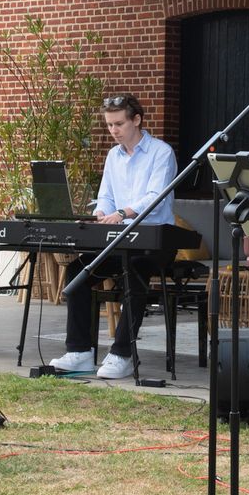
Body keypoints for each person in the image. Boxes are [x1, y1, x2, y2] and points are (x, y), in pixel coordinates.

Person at [49, 93, 177, 380]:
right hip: (118, 239)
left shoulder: (161, 152)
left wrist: (122, 212)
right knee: (78, 271)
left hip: (155, 240)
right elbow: (105, 196)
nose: (114, 130)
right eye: (109, 125)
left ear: (137, 120)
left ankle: (123, 354)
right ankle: (80, 352)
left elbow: (155, 197)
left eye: (119, 124)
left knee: (135, 271)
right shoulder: (112, 156)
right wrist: (100, 214)